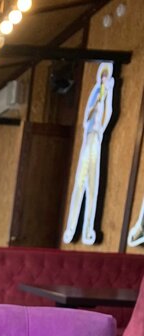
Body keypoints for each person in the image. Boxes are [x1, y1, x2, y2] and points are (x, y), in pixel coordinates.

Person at [63, 63, 114, 246]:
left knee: (92, 185)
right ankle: (71, 228)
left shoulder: (107, 95)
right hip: (90, 138)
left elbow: (108, 114)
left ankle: (88, 228)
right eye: (103, 77)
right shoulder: (96, 94)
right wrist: (97, 104)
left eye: (106, 77)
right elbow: (86, 120)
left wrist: (107, 96)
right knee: (80, 183)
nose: (104, 79)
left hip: (97, 139)